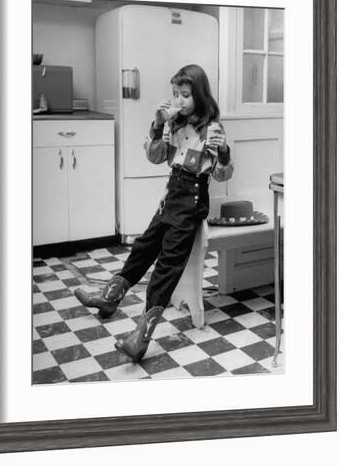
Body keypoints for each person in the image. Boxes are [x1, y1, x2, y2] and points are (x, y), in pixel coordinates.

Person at [74, 64, 234, 362]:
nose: (179, 100)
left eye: (185, 95)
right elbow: (156, 156)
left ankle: (141, 337)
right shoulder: (175, 124)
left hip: (191, 202)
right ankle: (110, 297)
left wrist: (224, 151)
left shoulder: (212, 128)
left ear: (199, 95)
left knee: (166, 266)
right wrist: (157, 123)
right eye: (175, 94)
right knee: (143, 247)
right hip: (171, 197)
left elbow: (223, 175)